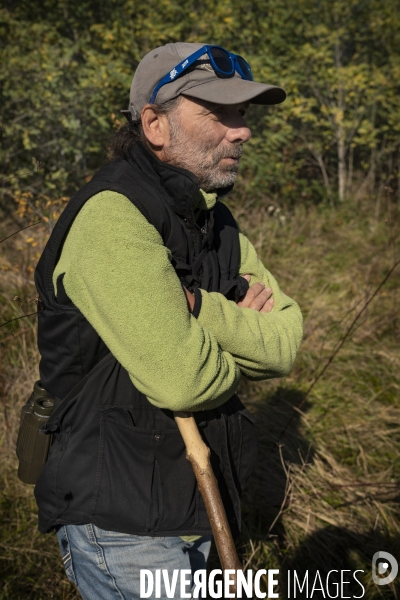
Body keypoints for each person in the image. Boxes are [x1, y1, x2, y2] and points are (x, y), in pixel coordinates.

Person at [34, 42, 303, 599]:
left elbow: (284, 345)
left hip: (201, 500)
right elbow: (184, 379)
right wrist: (234, 346)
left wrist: (200, 310)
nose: (242, 131)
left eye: (242, 114)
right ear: (154, 124)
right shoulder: (112, 217)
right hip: (124, 522)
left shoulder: (216, 221)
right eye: (218, 113)